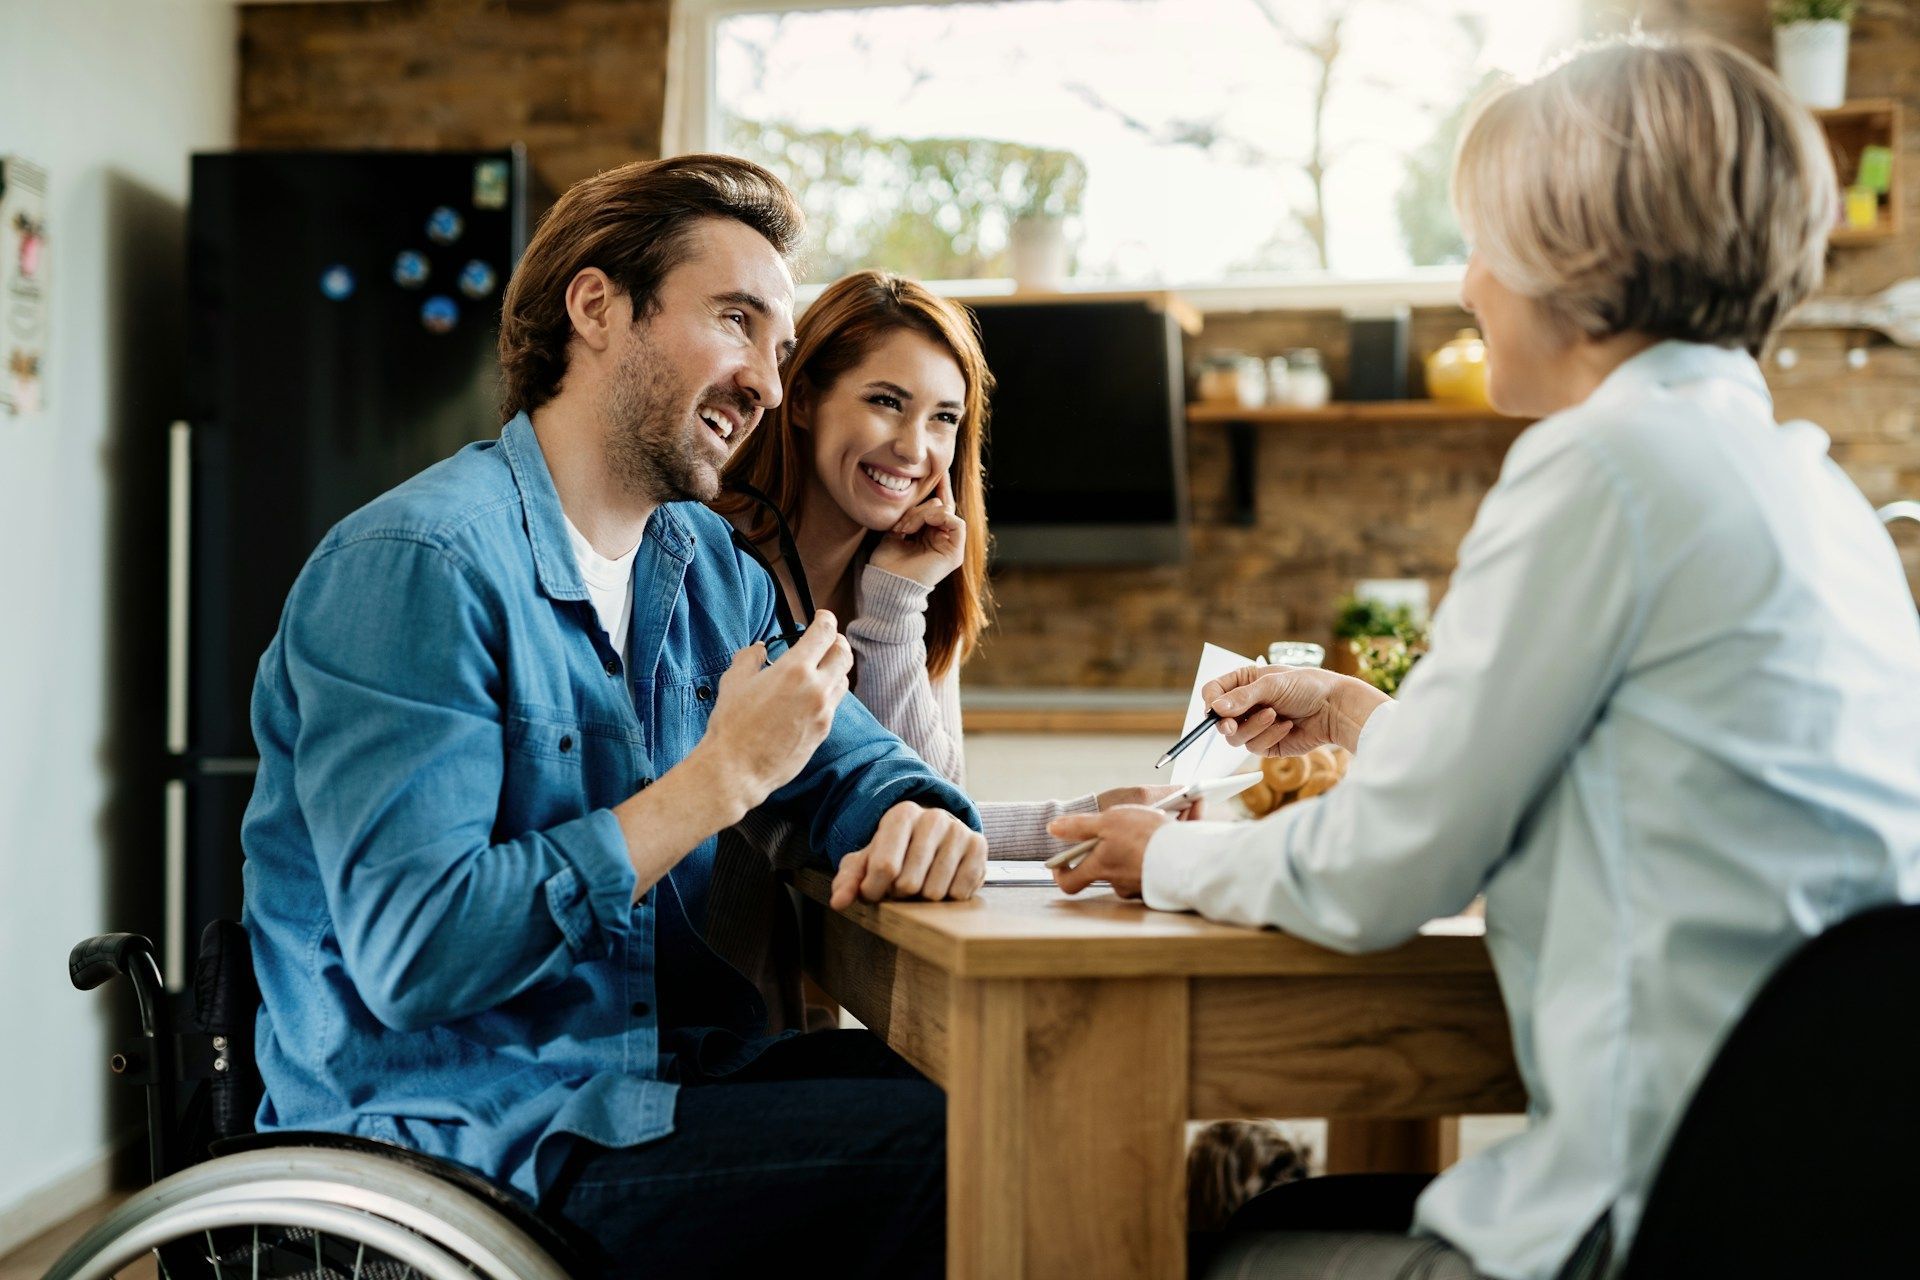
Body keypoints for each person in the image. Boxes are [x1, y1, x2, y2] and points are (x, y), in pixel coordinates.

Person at [1047, 35, 1920, 1280]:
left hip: (1644, 1223)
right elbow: (1584, 777)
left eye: (1485, 244)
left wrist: (1167, 852)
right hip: (1806, 1206)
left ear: (1580, 257)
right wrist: (1356, 706)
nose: (1467, 287)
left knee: (1191, 1246)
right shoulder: (1804, 482)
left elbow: (1384, 869)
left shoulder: (1605, 465)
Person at [241, 154, 986, 1279]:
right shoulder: (420, 565)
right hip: (464, 1148)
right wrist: (711, 783)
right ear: (598, 306)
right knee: (964, 1154)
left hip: (653, 1084)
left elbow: (841, 756)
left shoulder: (701, 565)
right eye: (735, 320)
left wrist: (916, 809)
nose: (769, 386)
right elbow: (415, 951)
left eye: (779, 349)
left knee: (995, 1097)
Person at [714, 269, 1180, 855]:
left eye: (944, 418)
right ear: (802, 398)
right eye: (886, 402)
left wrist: (894, 606)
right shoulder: (709, 559)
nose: (914, 448)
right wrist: (1075, 822)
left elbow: (930, 817)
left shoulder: (910, 588)